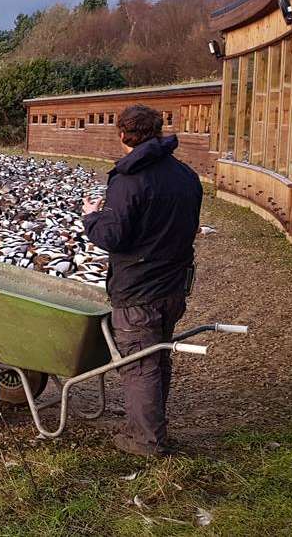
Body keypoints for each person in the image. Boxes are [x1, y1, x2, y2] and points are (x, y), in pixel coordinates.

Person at [81, 104, 203, 457]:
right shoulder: (185, 175)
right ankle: (153, 428)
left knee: (139, 364)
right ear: (159, 131)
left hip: (138, 289)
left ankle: (146, 440)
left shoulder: (129, 180)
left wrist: (92, 218)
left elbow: (113, 237)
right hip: (173, 286)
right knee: (159, 355)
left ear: (122, 135)